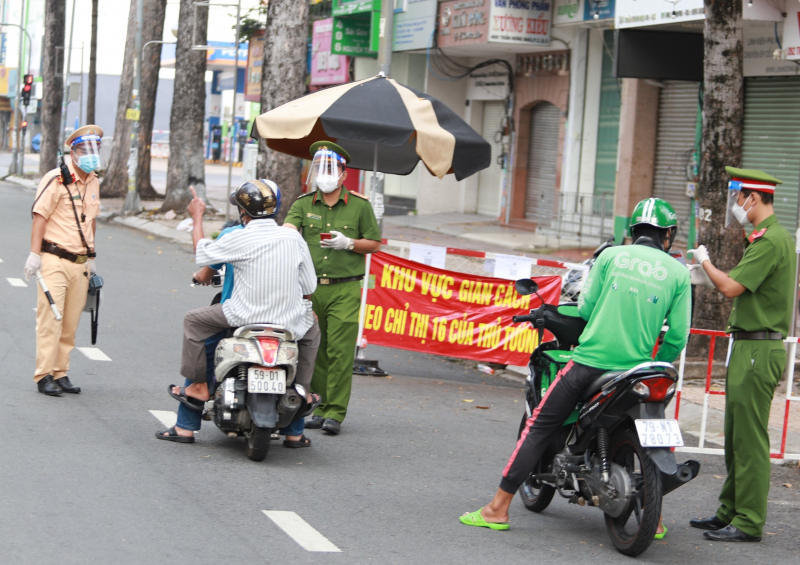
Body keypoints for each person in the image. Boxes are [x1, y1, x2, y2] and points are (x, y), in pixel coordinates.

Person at [459, 198, 691, 531]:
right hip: (639, 373)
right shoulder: (678, 272)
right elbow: (678, 337)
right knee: (652, 433)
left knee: (539, 426)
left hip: (590, 363)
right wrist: (656, 363)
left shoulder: (611, 256)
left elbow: (585, 308)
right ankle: (653, 522)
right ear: (668, 235)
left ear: (634, 230)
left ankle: (497, 509)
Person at [155, 180, 321, 442]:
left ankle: (195, 398)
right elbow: (309, 286)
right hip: (288, 321)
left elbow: (203, 257)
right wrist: (301, 311)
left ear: (243, 211)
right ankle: (301, 396)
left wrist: (197, 216)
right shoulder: (293, 237)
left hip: (242, 316)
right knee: (311, 334)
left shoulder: (235, 236)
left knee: (195, 326)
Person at [687, 167, 795, 543]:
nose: (736, 204)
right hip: (747, 345)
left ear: (753, 198)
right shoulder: (766, 238)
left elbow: (731, 287)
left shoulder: (771, 240)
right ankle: (728, 511)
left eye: (738, 197)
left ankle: (748, 521)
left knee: (749, 441)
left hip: (758, 348)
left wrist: (704, 262)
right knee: (735, 438)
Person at [284, 141, 381, 435]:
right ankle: (317, 404)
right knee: (316, 349)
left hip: (345, 288)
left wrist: (348, 243)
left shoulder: (360, 206)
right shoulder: (303, 203)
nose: (323, 175)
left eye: (330, 169)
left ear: (342, 174)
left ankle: (335, 412)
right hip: (310, 289)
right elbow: (288, 231)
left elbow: (374, 243)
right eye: (319, 168)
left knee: (339, 350)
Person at [24, 125, 105, 396]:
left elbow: (90, 222)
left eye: (96, 150)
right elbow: (40, 216)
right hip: (54, 259)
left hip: (80, 263)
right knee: (51, 320)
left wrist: (91, 257)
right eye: (86, 150)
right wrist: (35, 255)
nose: (92, 156)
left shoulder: (94, 180)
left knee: (70, 323)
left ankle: (61, 372)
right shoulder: (56, 178)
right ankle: (43, 374)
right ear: (74, 152)